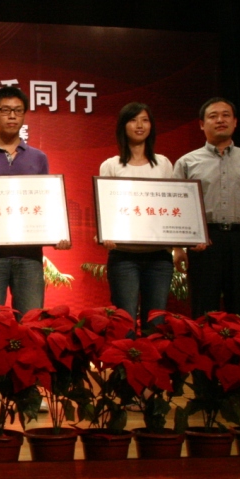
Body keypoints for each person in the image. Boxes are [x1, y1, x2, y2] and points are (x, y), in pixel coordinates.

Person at [0, 86, 70, 316]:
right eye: (5, 110)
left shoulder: (38, 158)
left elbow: (45, 202)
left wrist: (58, 233)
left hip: (29, 256)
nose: (12, 116)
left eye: (18, 111)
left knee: (31, 323)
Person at [173, 97, 240, 318]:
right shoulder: (187, 162)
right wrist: (179, 247)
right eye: (213, 116)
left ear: (235, 122)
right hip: (204, 243)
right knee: (204, 310)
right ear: (202, 124)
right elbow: (177, 208)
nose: (220, 120)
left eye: (226, 115)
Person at [98, 102, 175, 329]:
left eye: (145, 120)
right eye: (133, 120)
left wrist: (183, 242)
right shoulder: (111, 165)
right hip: (124, 256)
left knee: (156, 323)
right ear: (123, 126)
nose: (139, 125)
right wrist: (105, 232)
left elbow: (172, 206)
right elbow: (106, 207)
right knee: (125, 323)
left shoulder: (163, 164)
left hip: (159, 257)